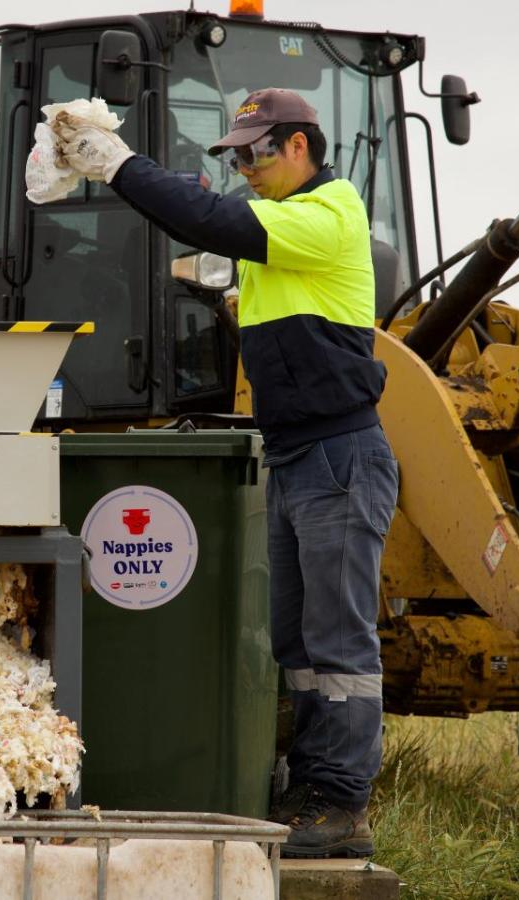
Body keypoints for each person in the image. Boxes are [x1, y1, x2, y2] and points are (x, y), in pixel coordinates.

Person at [57, 88, 399, 859]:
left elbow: (210, 218)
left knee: (338, 643)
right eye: (235, 156)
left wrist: (116, 164)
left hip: (340, 455)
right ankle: (308, 788)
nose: (243, 168)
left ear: (301, 147)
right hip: (298, 454)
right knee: (298, 644)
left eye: (256, 153)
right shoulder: (283, 235)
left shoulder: (329, 211)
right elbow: (220, 238)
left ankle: (341, 805)